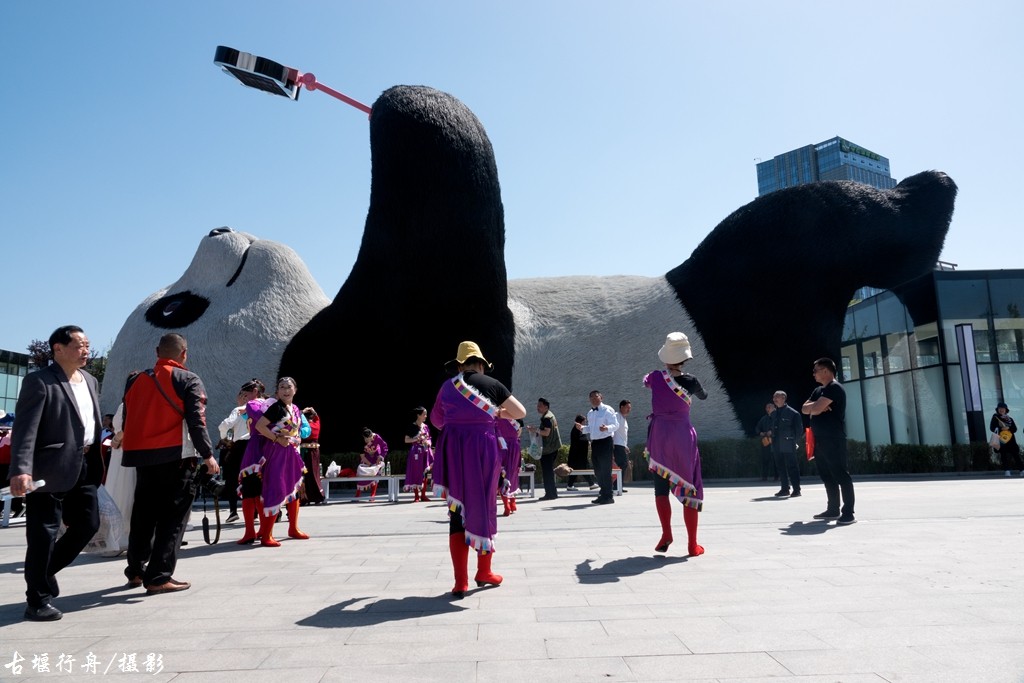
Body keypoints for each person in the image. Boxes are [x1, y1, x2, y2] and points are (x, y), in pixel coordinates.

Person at [9, 325, 102, 620]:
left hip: (85, 464)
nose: (85, 351)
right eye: (79, 345)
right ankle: (36, 601)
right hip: (48, 468)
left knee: (88, 524)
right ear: (58, 349)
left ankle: (45, 572)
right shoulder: (39, 381)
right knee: (43, 534)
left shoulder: (90, 380)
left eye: (87, 345)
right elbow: (25, 429)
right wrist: (21, 469)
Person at [120, 333, 219, 594]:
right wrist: (208, 455)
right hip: (175, 455)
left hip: (141, 455)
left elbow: (127, 416)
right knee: (173, 518)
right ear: (184, 354)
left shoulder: (135, 379)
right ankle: (159, 576)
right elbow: (197, 421)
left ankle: (136, 571)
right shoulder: (188, 379)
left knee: (143, 514)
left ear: (157, 351)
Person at [431, 341, 525, 598]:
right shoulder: (492, 384)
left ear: (460, 365)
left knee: (456, 511)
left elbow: (437, 421)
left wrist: (457, 421)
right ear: (481, 365)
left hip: (454, 451)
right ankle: (484, 571)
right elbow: (520, 412)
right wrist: (497, 414)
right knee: (484, 505)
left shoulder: (447, 386)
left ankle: (460, 582)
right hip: (483, 449)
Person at [645, 332, 708, 556]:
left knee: (660, 489)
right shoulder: (691, 381)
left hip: (659, 436)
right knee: (689, 486)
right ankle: (692, 544)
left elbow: (647, 382)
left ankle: (666, 534)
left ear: (665, 357)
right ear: (685, 358)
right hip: (682, 436)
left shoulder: (655, 377)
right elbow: (704, 396)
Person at [246, 377, 310, 545]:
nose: (285, 390)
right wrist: (276, 438)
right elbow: (260, 426)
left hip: (291, 452)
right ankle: (266, 535)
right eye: (282, 387)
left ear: (295, 390)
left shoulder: (295, 408)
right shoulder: (275, 407)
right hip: (276, 452)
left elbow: (298, 430)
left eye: (288, 387)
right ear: (277, 391)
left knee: (294, 488)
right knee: (275, 488)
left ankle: (293, 528)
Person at [802, 357, 856, 525]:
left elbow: (816, 409)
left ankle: (848, 513)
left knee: (840, 474)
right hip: (818, 439)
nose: (813, 374)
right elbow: (804, 409)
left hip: (833, 438)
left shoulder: (835, 388)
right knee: (826, 475)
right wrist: (817, 407)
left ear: (826, 371)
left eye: (816, 370)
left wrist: (816, 407)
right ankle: (833, 509)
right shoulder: (818, 391)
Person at [217, 379, 265, 523]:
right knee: (259, 477)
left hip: (242, 446)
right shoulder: (266, 405)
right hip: (262, 445)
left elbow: (225, 426)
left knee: (234, 478)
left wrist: (224, 436)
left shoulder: (240, 410)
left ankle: (234, 511)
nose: (243, 397)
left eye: (244, 394)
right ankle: (262, 511)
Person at [581, 390, 618, 505]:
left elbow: (616, 425)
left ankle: (609, 496)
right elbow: (590, 428)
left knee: (606, 470)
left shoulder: (608, 409)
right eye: (591, 397)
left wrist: (607, 428)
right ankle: (603, 494)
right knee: (598, 470)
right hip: (595, 443)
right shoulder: (590, 413)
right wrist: (582, 428)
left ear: (601, 397)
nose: (594, 399)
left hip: (605, 442)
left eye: (596, 396)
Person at [526, 398, 562, 500]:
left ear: (546, 407)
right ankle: (552, 493)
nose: (538, 407)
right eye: (537, 405)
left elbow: (546, 433)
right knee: (549, 471)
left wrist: (535, 430)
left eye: (540, 406)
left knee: (547, 472)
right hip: (553, 447)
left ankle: (550, 494)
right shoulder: (550, 415)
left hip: (548, 449)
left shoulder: (546, 418)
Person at [771, 391, 803, 498]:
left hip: (788, 444)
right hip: (777, 444)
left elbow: (799, 430)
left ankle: (796, 490)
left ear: (783, 398)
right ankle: (785, 489)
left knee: (792, 467)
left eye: (777, 397)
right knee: (780, 467)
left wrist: (794, 442)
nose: (775, 399)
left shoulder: (793, 413)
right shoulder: (774, 413)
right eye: (774, 397)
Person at [403, 407, 434, 502]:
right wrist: (416, 439)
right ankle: (416, 495)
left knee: (425, 472)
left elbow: (429, 438)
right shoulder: (412, 426)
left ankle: (423, 495)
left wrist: (428, 442)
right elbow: (406, 440)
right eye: (424, 414)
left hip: (426, 451)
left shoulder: (426, 427)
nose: (426, 416)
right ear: (418, 415)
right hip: (416, 452)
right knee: (416, 472)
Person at [495, 417, 522, 515]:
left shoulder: (495, 416)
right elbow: (519, 433)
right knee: (513, 475)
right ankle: (513, 503)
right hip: (515, 447)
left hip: (502, 446)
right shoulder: (515, 416)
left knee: (503, 476)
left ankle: (506, 505)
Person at [299, 407, 326, 504]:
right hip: (314, 453)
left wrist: (301, 412)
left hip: (305, 453)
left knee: (304, 475)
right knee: (314, 474)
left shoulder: (305, 427)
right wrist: (314, 412)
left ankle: (305, 498)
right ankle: (317, 497)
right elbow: (317, 417)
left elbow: (296, 416)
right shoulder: (316, 424)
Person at [565, 414, 596, 491]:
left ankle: (570, 485)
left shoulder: (579, 430)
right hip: (578, 455)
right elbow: (579, 441)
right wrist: (587, 442)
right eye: (584, 421)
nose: (585, 423)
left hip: (579, 455)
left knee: (576, 469)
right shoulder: (576, 430)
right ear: (580, 422)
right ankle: (591, 484)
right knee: (583, 469)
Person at [357, 428, 388, 500]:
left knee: (375, 474)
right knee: (362, 473)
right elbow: (362, 456)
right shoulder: (360, 441)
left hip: (376, 458)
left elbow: (384, 447)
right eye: (366, 439)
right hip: (366, 459)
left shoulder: (377, 437)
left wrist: (380, 457)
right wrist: (369, 464)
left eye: (369, 439)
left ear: (371, 436)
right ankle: (358, 494)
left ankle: (372, 495)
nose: (368, 441)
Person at [991, 402, 1021, 476]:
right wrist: (1001, 428)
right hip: (1001, 440)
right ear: (997, 409)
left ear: (1006, 410)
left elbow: (1014, 429)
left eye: (1003, 409)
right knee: (1003, 455)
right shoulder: (995, 418)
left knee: (1016, 455)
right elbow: (992, 428)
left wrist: (1008, 428)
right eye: (1000, 408)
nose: (1001, 410)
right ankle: (1007, 471)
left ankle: (1022, 470)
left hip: (1011, 441)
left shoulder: (1010, 419)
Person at [613, 399, 632, 492]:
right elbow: (613, 430)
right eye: (627, 407)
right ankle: (617, 486)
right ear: (621, 407)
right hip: (616, 444)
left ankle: (617, 485)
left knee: (622, 465)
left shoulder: (623, 418)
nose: (629, 410)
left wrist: (625, 446)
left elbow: (622, 434)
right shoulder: (616, 416)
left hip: (621, 445)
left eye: (630, 408)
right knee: (623, 464)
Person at [755, 401, 777, 481]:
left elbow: (780, 427)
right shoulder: (764, 418)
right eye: (767, 407)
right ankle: (764, 476)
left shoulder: (777, 417)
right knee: (765, 459)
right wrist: (760, 433)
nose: (768, 409)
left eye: (769, 407)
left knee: (776, 460)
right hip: (766, 441)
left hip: (775, 441)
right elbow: (757, 427)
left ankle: (777, 476)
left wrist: (772, 431)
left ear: (774, 408)